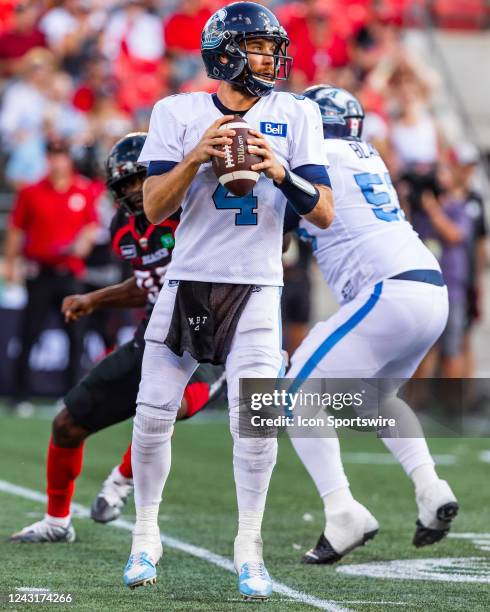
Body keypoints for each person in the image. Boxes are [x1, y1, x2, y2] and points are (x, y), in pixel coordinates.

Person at [123, 1, 334, 599]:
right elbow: (153, 208)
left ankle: (250, 548)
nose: (272, 58)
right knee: (152, 412)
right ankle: (145, 536)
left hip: (260, 285)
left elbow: (322, 209)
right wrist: (197, 156)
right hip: (189, 278)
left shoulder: (296, 113)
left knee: (256, 424)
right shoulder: (179, 111)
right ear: (228, 53)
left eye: (274, 48)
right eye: (261, 48)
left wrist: (280, 172)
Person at [10, 133, 225, 544]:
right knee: (67, 424)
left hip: (206, 334)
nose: (134, 191)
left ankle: (123, 477)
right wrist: (95, 299)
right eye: (124, 184)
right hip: (155, 335)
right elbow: (147, 282)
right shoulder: (122, 227)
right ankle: (57, 521)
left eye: (140, 180)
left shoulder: (194, 209)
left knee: (169, 406)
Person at [284, 85, 458, 564]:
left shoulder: (322, 158)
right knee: (372, 401)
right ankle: (430, 488)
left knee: (294, 395)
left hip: (388, 290)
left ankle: (343, 512)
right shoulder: (367, 158)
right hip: (428, 288)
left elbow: (282, 225)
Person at [5, 136, 98, 403]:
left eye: (62, 156)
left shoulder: (83, 191)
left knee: (75, 335)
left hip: (69, 273)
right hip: (40, 272)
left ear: (69, 159)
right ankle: (20, 394)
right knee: (29, 332)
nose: (57, 162)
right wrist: (12, 264)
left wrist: (82, 245)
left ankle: (71, 395)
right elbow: (16, 230)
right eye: (53, 156)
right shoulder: (30, 191)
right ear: (47, 159)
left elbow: (90, 227)